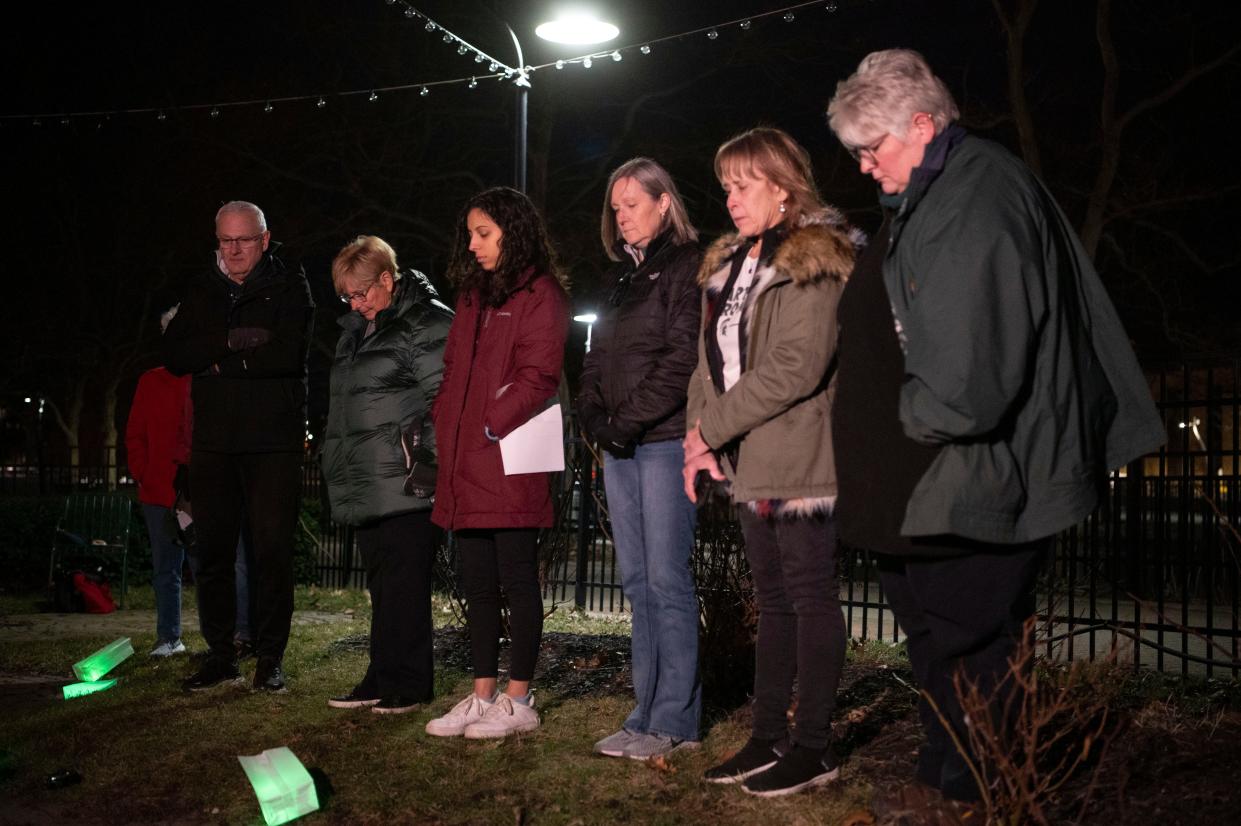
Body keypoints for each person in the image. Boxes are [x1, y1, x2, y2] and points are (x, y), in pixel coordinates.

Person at [825, 49, 1164, 811]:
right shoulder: (933, 194)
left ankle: (983, 791)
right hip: (929, 482)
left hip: (968, 472)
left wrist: (908, 422)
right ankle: (947, 778)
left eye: (870, 148)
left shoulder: (975, 198)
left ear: (921, 123)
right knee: (939, 639)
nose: (864, 167)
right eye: (855, 152)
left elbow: (970, 379)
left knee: (971, 642)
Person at [683, 127, 860, 796]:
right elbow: (708, 363)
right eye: (725, 186)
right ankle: (766, 738)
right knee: (772, 599)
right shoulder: (728, 267)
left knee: (809, 597)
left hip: (801, 453)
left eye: (744, 184)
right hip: (749, 457)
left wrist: (711, 430)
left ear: (782, 187)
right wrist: (694, 438)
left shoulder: (811, 258)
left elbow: (796, 365)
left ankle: (813, 746)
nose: (730, 198)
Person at [426, 186, 569, 740]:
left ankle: (519, 698)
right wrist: (446, 420)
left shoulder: (541, 294)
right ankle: (483, 695)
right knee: (478, 585)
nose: (474, 243)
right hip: (466, 462)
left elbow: (538, 376)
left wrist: (489, 422)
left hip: (508, 460)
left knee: (515, 580)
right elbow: (452, 367)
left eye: (483, 233)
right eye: (470, 233)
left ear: (513, 231)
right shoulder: (472, 295)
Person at [575, 157, 703, 760]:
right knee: (635, 582)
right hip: (622, 449)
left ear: (663, 202)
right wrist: (595, 420)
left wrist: (623, 425)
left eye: (632, 203)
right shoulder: (620, 279)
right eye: (616, 206)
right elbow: (594, 362)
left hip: (664, 442)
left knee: (666, 580)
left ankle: (674, 720)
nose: (621, 216)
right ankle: (644, 713)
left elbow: (681, 362)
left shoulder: (686, 266)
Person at [163, 200, 314, 693]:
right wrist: (233, 341)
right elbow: (176, 356)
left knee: (271, 553)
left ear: (264, 240)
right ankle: (221, 655)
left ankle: (270, 658)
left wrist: (218, 361)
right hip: (214, 444)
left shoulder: (291, 283)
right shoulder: (202, 287)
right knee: (213, 554)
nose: (233, 250)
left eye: (244, 239)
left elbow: (288, 354)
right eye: (225, 240)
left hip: (274, 443)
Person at [321, 235, 452, 715]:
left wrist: (428, 467)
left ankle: (411, 683)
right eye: (347, 297)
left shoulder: (425, 324)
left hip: (407, 479)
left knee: (405, 585)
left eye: (362, 293)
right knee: (383, 585)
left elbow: (446, 400)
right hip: (368, 481)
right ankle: (381, 676)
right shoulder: (357, 331)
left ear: (387, 279)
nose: (356, 304)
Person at [126, 305, 192, 658]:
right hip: (157, 492)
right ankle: (169, 638)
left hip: (196, 493)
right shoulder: (150, 381)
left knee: (207, 570)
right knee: (166, 570)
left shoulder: (206, 378)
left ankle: (222, 644)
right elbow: (134, 433)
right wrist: (143, 472)